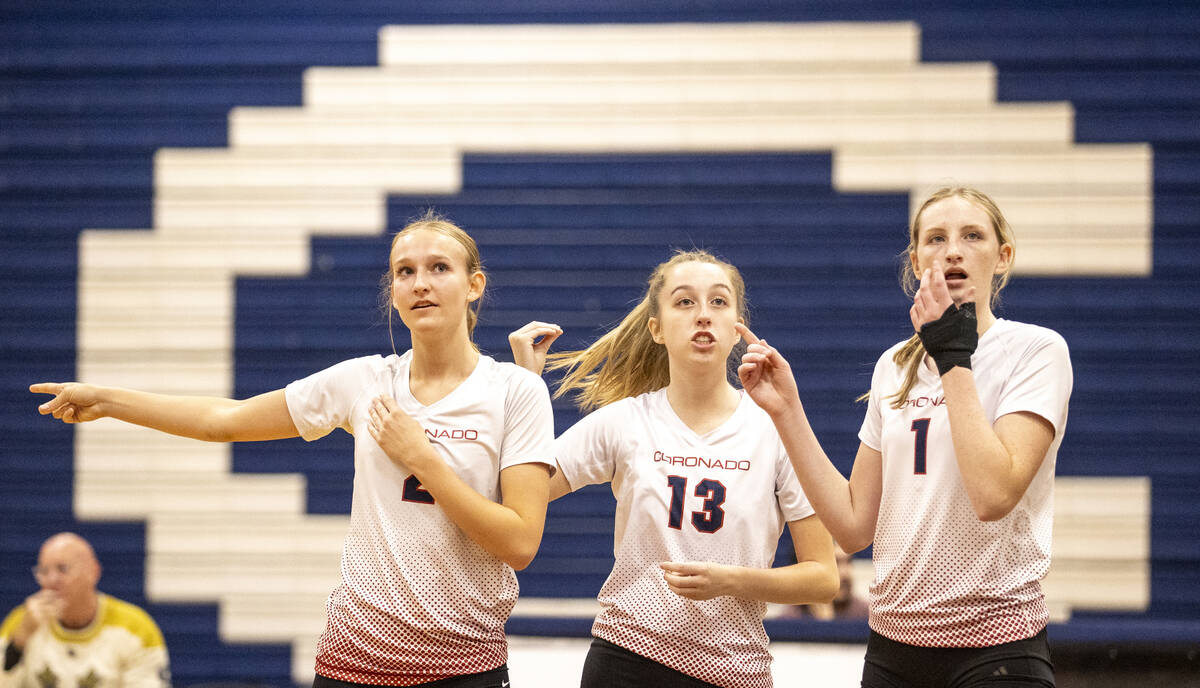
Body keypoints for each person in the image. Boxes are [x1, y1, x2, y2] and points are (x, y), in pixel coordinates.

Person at [31, 213, 556, 688]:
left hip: (465, 665)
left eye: (439, 267)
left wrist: (422, 459)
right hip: (353, 661)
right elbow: (224, 421)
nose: (420, 283)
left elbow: (520, 543)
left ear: (474, 286)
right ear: (392, 291)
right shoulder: (363, 381)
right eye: (404, 271)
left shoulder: (516, 391)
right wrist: (109, 399)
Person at [737, 187, 1072, 688]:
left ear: (1003, 257)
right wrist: (786, 411)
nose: (953, 250)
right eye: (936, 239)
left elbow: (993, 494)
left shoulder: (1036, 351)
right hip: (895, 651)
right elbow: (852, 528)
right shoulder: (894, 366)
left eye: (972, 236)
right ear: (917, 262)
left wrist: (951, 351)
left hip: (997, 647)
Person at [509, 250, 838, 688]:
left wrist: (732, 581)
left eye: (718, 302)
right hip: (625, 660)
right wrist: (527, 388)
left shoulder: (775, 431)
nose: (703, 315)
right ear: (657, 329)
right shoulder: (623, 421)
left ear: (738, 325)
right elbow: (517, 497)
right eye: (685, 302)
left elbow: (822, 578)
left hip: (734, 668)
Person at [1, 532, 170, 688]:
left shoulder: (136, 628)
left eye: (62, 569)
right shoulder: (22, 623)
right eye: (44, 571)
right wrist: (17, 646)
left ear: (93, 572)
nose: (52, 580)